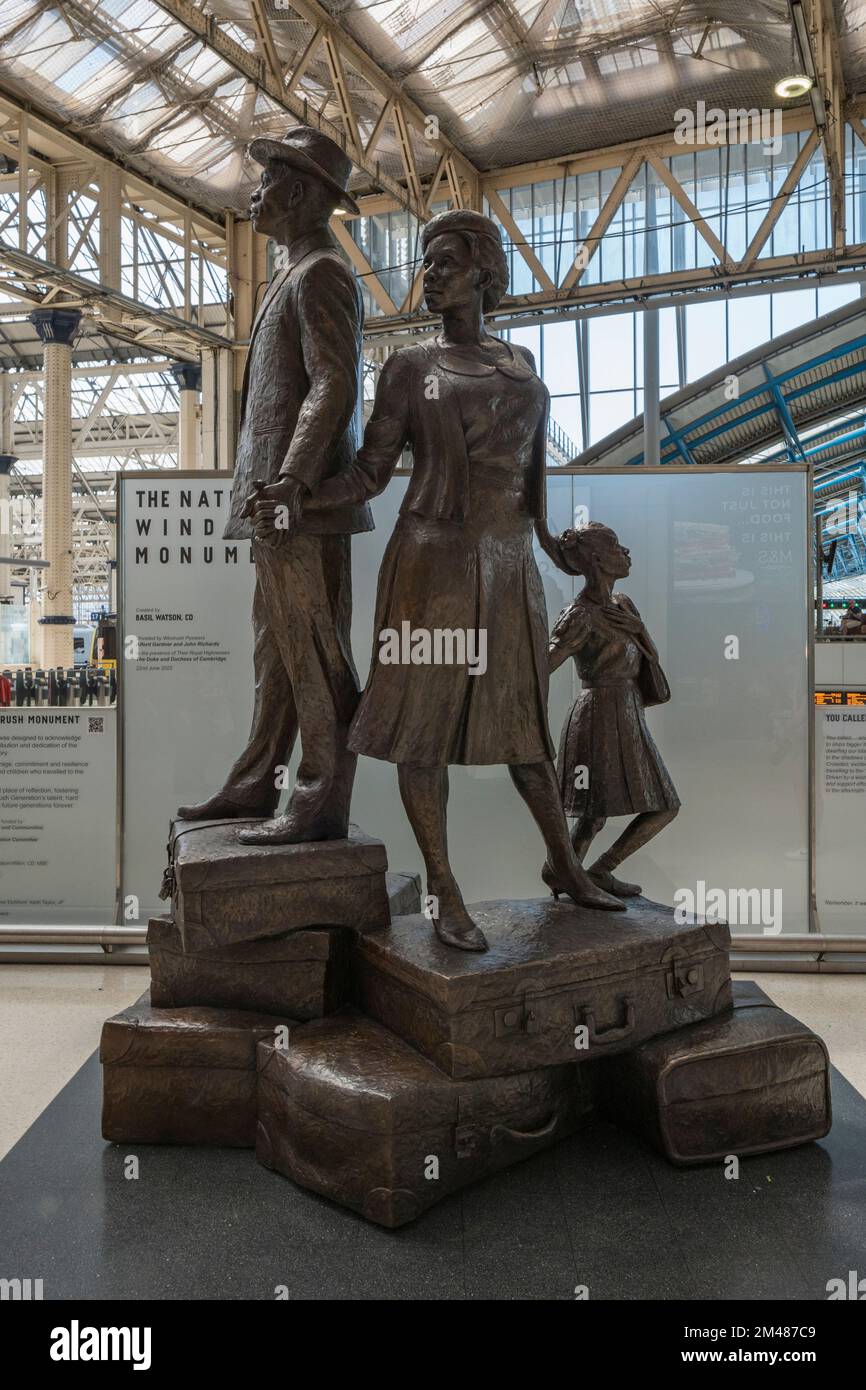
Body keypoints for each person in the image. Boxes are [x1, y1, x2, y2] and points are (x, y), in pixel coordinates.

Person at [304, 209, 623, 951]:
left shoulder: (520, 366)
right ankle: (444, 887)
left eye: (446, 260)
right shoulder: (410, 368)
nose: (430, 273)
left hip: (512, 565)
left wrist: (555, 545)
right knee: (424, 730)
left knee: (525, 730)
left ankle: (566, 865)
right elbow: (372, 471)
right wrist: (302, 493)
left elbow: (533, 478)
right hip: (432, 565)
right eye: (426, 262)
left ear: (485, 273)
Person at [178, 128, 370, 845]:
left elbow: (335, 382)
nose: (253, 195)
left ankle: (318, 799)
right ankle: (259, 779)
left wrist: (291, 480)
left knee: (313, 652)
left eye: (264, 182)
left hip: (299, 506)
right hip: (278, 506)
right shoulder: (295, 273)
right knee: (278, 650)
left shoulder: (321, 272)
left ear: (295, 192)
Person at [548, 522, 680, 897]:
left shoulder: (623, 605)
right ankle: (572, 871)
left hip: (627, 710)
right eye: (618, 547)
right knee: (598, 811)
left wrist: (639, 630)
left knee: (612, 811)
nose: (626, 553)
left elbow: (646, 662)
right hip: (598, 714)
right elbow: (547, 662)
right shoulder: (579, 615)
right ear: (596, 559)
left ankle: (580, 871)